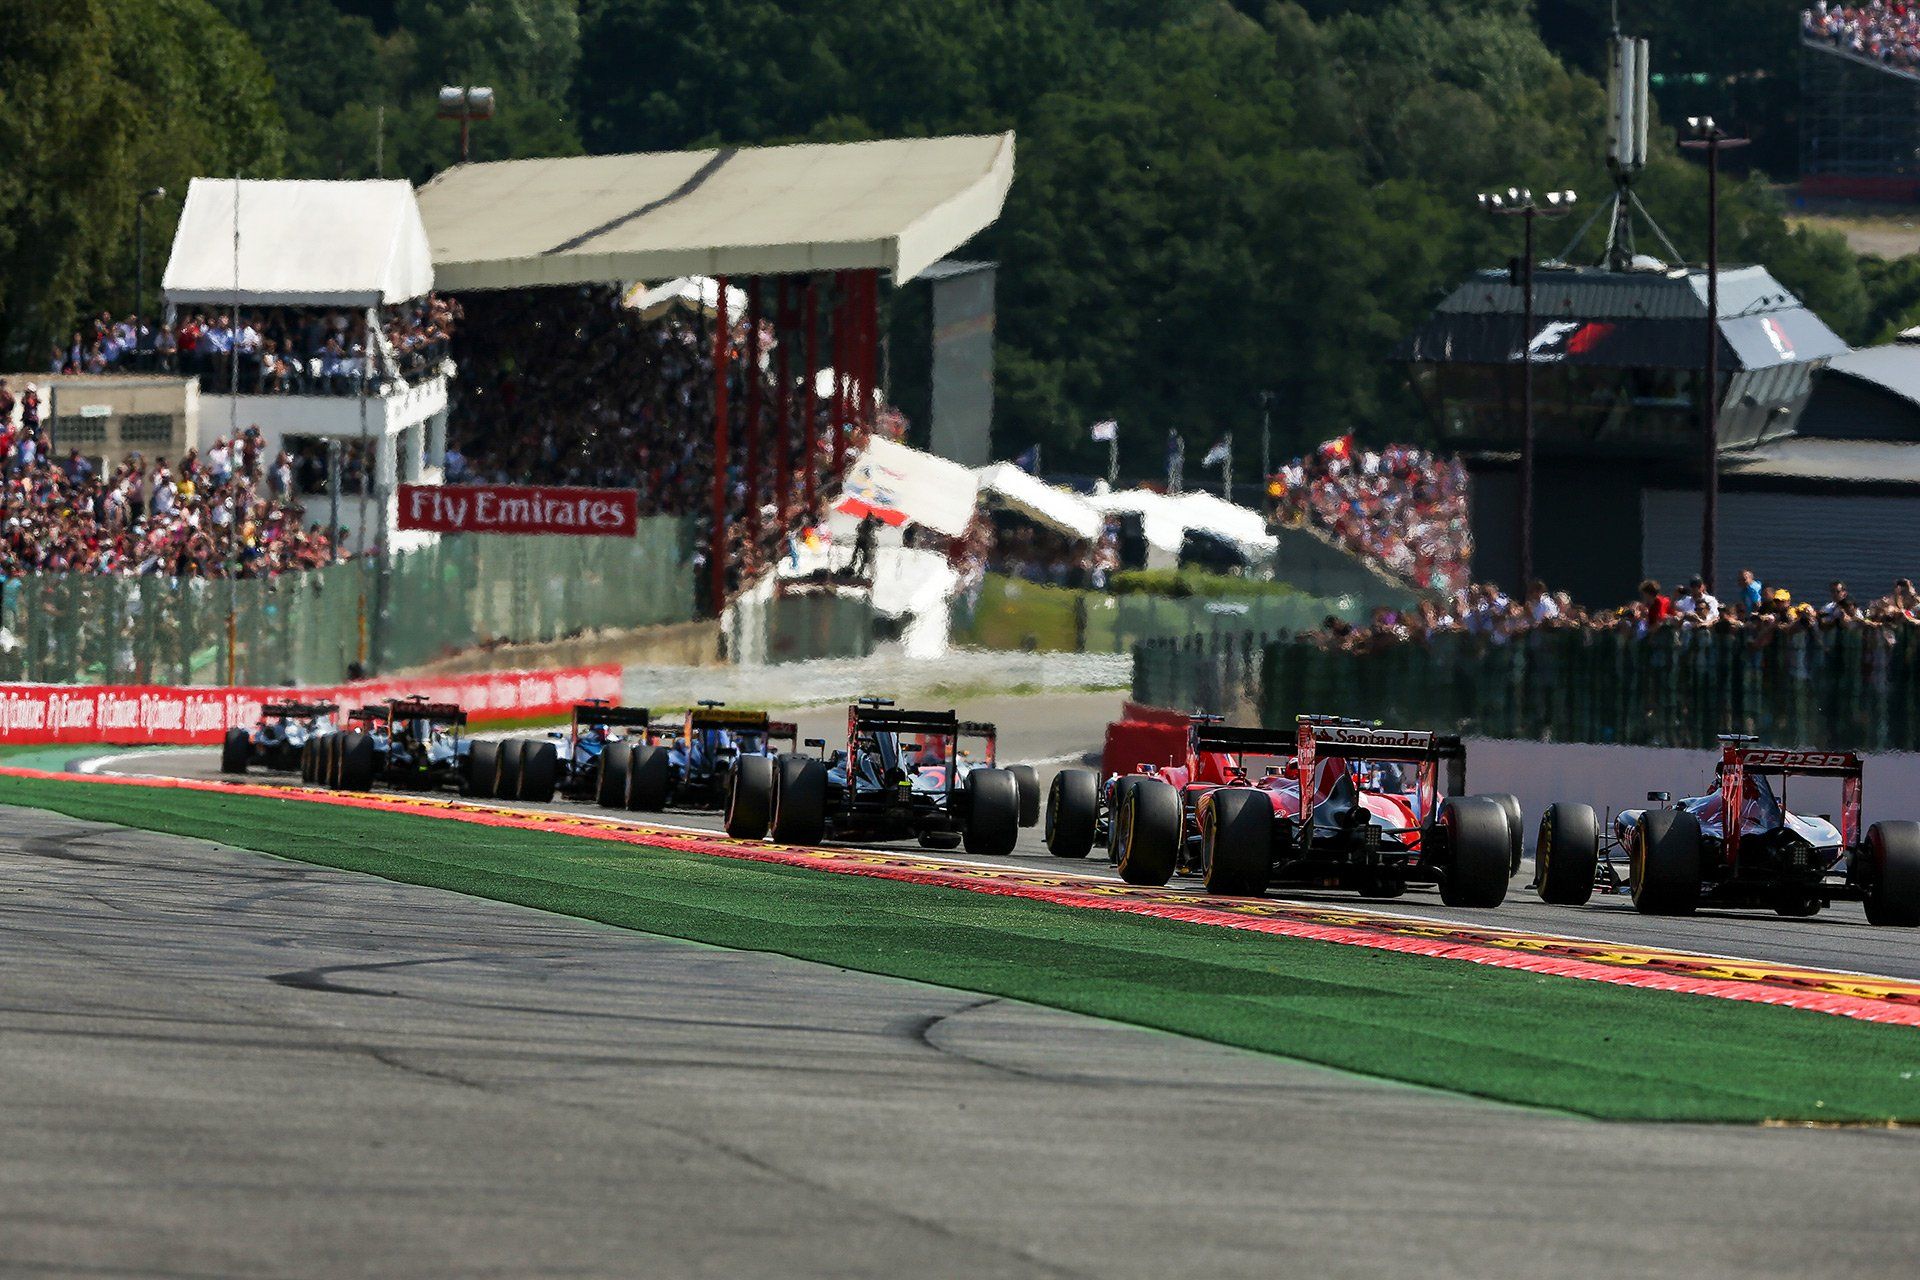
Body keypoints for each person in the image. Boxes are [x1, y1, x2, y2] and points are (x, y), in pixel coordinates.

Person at [849, 512, 878, 578]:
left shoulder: (865, 523)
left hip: (862, 542)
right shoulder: (870, 523)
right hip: (865, 542)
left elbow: (858, 530)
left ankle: (858, 571)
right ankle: (859, 572)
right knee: (862, 559)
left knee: (859, 558)